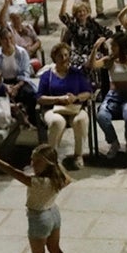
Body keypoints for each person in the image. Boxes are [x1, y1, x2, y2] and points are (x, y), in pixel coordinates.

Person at [36, 42, 94, 171]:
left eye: (66, 55)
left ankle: (78, 155)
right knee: (57, 122)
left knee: (80, 120)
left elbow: (88, 92)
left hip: (74, 107)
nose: (64, 59)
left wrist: (76, 98)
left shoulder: (76, 73)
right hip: (53, 109)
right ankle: (52, 158)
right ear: (54, 58)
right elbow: (40, 98)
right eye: (60, 56)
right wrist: (57, 99)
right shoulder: (47, 76)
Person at [0, 26, 43, 135]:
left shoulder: (21, 53)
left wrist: (17, 86)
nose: (8, 42)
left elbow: (25, 73)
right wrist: (4, 86)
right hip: (1, 82)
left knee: (30, 94)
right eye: (5, 40)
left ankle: (34, 122)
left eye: (10, 38)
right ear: (0, 41)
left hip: (19, 81)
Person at [59, 0, 112, 72]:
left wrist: (102, 39)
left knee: (101, 60)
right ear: (76, 14)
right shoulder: (74, 25)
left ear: (88, 12)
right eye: (79, 12)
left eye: (84, 11)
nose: (82, 13)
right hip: (79, 53)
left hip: (93, 52)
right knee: (83, 63)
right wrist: (65, 0)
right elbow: (62, 16)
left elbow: (109, 32)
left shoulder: (93, 24)